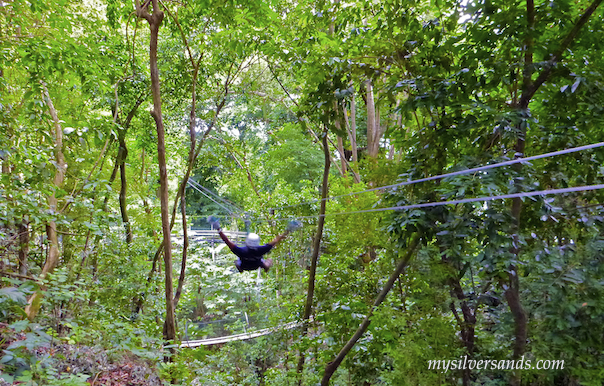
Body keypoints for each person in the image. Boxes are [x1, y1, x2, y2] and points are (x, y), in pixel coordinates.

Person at [208, 216, 297, 273]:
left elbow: (226, 241)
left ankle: (239, 267)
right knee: (268, 260)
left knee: (238, 260)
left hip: (244, 266)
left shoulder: (241, 251)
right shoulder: (261, 250)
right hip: (257, 265)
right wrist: (288, 230)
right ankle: (265, 267)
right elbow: (276, 240)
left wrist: (218, 228)